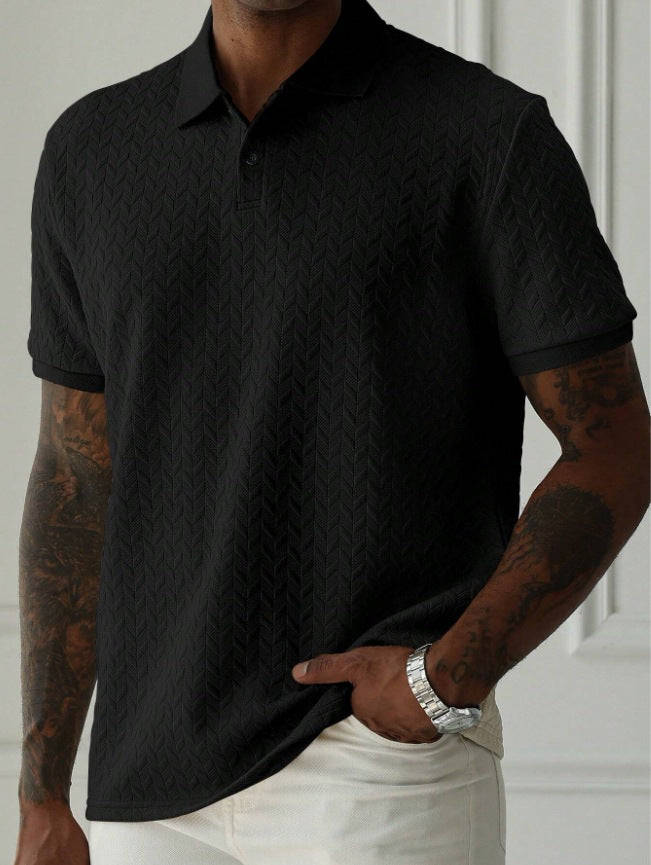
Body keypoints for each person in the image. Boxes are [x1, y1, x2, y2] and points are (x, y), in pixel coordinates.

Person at [14, 0, 650, 863]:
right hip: (147, 785)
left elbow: (611, 446)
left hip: (371, 766)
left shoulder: (484, 134)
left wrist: (446, 676)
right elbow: (74, 475)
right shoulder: (92, 149)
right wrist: (42, 789)